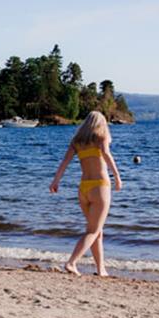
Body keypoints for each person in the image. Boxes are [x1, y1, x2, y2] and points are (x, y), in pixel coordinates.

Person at [50, 111, 122, 277]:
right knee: (93, 231)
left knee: (97, 230)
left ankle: (100, 269)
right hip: (99, 187)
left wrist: (55, 181)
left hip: (84, 189)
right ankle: (72, 262)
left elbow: (65, 161)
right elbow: (106, 154)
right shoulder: (101, 137)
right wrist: (117, 176)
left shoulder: (77, 141)